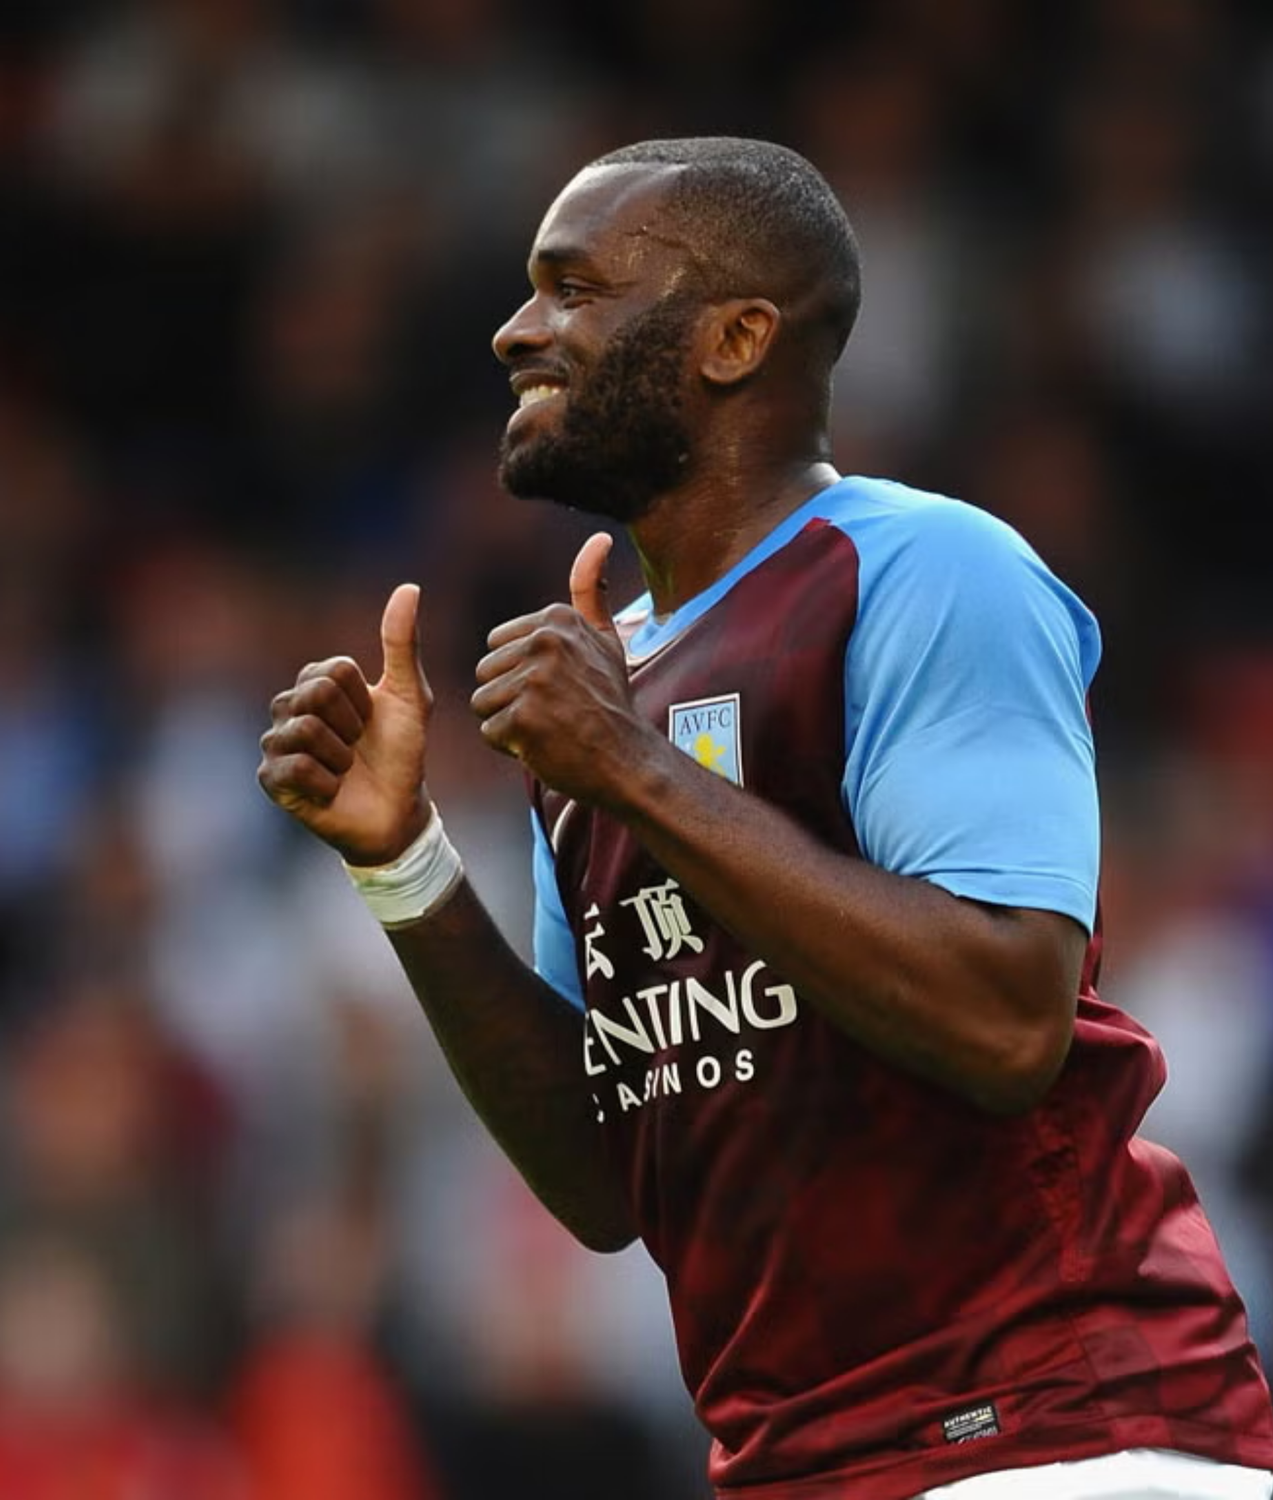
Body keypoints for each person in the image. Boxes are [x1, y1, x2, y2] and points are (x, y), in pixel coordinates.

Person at [256, 137, 1273, 1499]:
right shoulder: (599, 694)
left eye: (573, 289)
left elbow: (1009, 1019)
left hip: (1052, 1428)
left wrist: (634, 770)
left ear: (735, 339)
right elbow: (608, 1186)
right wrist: (406, 867)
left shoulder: (923, 569)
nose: (517, 331)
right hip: (806, 1461)